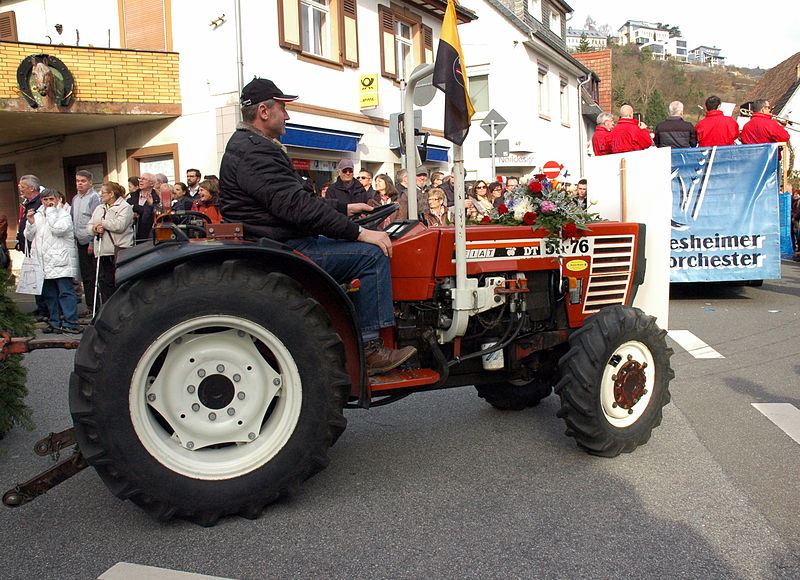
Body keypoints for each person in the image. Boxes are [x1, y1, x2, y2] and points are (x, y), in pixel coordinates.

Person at [218, 77, 415, 375]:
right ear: (263, 111)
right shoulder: (256, 151)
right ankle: (370, 348)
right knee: (372, 255)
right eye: (283, 108)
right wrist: (361, 232)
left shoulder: (247, 146)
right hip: (284, 245)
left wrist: (346, 207)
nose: (287, 116)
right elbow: (297, 208)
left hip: (272, 238)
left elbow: (293, 199)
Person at [24, 189, 80, 334]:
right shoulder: (37, 215)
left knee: (66, 292)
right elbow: (29, 237)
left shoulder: (64, 215)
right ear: (41, 201)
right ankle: (54, 321)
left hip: (60, 260)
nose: (48, 202)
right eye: (45, 199)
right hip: (43, 262)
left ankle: (70, 322)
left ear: (57, 200)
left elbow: (58, 229)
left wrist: (51, 212)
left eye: (51, 199)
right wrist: (30, 223)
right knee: (50, 295)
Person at [88, 181, 134, 303]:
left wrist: (103, 223)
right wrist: (95, 228)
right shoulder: (99, 208)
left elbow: (120, 225)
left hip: (117, 250)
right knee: (103, 282)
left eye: (103, 192)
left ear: (111, 194)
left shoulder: (125, 207)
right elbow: (89, 225)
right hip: (101, 251)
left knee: (116, 282)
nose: (100, 195)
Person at [16, 175, 48, 320]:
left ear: (31, 188)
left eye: (22, 186)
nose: (19, 188)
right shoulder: (26, 202)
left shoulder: (40, 203)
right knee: (34, 278)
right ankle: (40, 307)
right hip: (28, 246)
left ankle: (46, 309)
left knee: (43, 279)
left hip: (39, 246)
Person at [70, 170, 101, 315]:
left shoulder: (94, 198)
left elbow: (95, 220)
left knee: (92, 275)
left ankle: (96, 306)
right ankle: (90, 305)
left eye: (82, 181)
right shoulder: (75, 198)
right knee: (85, 275)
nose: (79, 184)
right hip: (78, 241)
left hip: (89, 240)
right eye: (77, 181)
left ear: (90, 182)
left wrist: (91, 242)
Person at [128, 173, 161, 243]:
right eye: (140, 178)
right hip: (131, 235)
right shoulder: (131, 196)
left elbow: (154, 214)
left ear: (152, 184)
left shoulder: (157, 198)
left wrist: (135, 207)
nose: (140, 181)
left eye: (144, 179)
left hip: (149, 236)